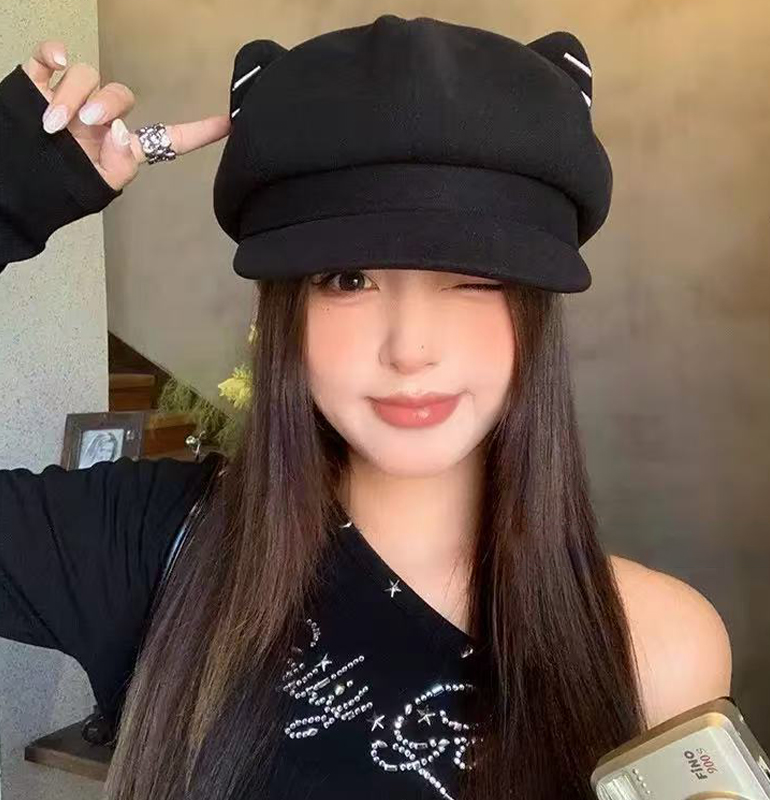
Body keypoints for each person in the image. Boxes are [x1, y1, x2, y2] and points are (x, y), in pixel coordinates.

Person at [0, 16, 732, 800]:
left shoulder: (658, 649)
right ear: (287, 310)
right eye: (349, 279)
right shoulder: (152, 545)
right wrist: (11, 194)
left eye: (475, 276)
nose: (410, 348)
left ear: (535, 309)